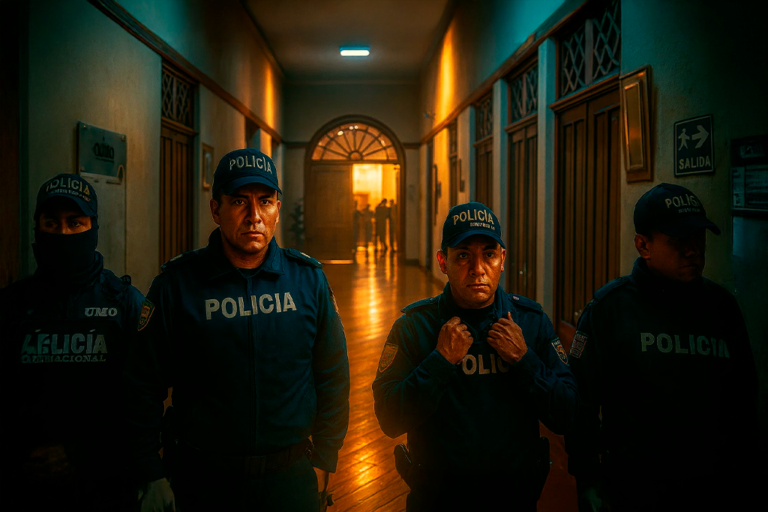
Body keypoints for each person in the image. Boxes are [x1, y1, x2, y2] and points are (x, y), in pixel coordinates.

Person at [124, 148, 350, 512]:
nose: (254, 216)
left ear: (278, 208)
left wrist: (326, 455)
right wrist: (150, 470)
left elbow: (333, 374)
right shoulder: (177, 285)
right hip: (202, 479)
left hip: (290, 478)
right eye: (239, 201)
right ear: (216, 210)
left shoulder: (308, 281)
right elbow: (142, 384)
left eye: (265, 201)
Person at [565, 183, 759, 512]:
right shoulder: (612, 309)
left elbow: (743, 400)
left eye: (698, 237)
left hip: (713, 485)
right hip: (635, 488)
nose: (693, 250)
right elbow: (580, 402)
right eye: (679, 240)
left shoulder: (722, 308)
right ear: (644, 245)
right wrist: (587, 479)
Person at [372, 202, 578, 511]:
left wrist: (525, 361)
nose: (478, 269)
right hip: (438, 499)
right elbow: (389, 418)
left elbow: (567, 414)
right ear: (443, 261)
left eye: (489, 254)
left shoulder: (530, 322)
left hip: (514, 498)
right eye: (463, 255)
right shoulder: (415, 327)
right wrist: (439, 362)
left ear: (502, 259)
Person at [1, 173, 144, 511]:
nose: (63, 234)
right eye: (51, 223)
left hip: (106, 485)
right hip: (27, 484)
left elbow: (144, 401)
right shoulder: (11, 306)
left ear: (93, 229)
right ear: (37, 228)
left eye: (75, 222)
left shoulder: (124, 304)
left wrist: (82, 455)